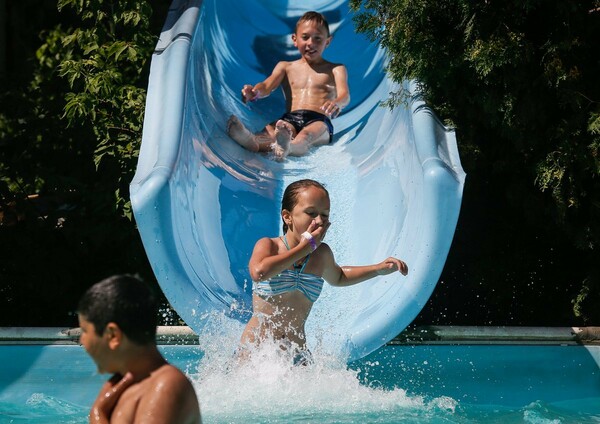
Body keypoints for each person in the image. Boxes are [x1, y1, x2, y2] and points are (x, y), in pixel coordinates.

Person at [238, 179, 408, 364]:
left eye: (324, 215)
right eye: (311, 213)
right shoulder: (269, 245)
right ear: (287, 217)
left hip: (296, 356)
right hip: (256, 352)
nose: (318, 221)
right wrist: (304, 248)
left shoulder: (322, 254)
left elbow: (339, 277)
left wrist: (377, 269)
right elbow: (259, 272)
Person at [77, 274, 201, 424]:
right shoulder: (124, 387)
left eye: (84, 331)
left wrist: (97, 415)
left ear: (113, 335)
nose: (81, 340)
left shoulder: (166, 385)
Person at [227, 11, 350, 160]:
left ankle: (288, 147)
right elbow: (267, 85)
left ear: (327, 42)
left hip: (319, 120)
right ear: (294, 39)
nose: (311, 43)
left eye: (318, 38)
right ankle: (252, 141)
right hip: (291, 118)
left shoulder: (336, 69)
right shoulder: (286, 66)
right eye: (305, 37)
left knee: (306, 136)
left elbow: (345, 95)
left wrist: (337, 103)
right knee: (274, 132)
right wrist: (255, 91)